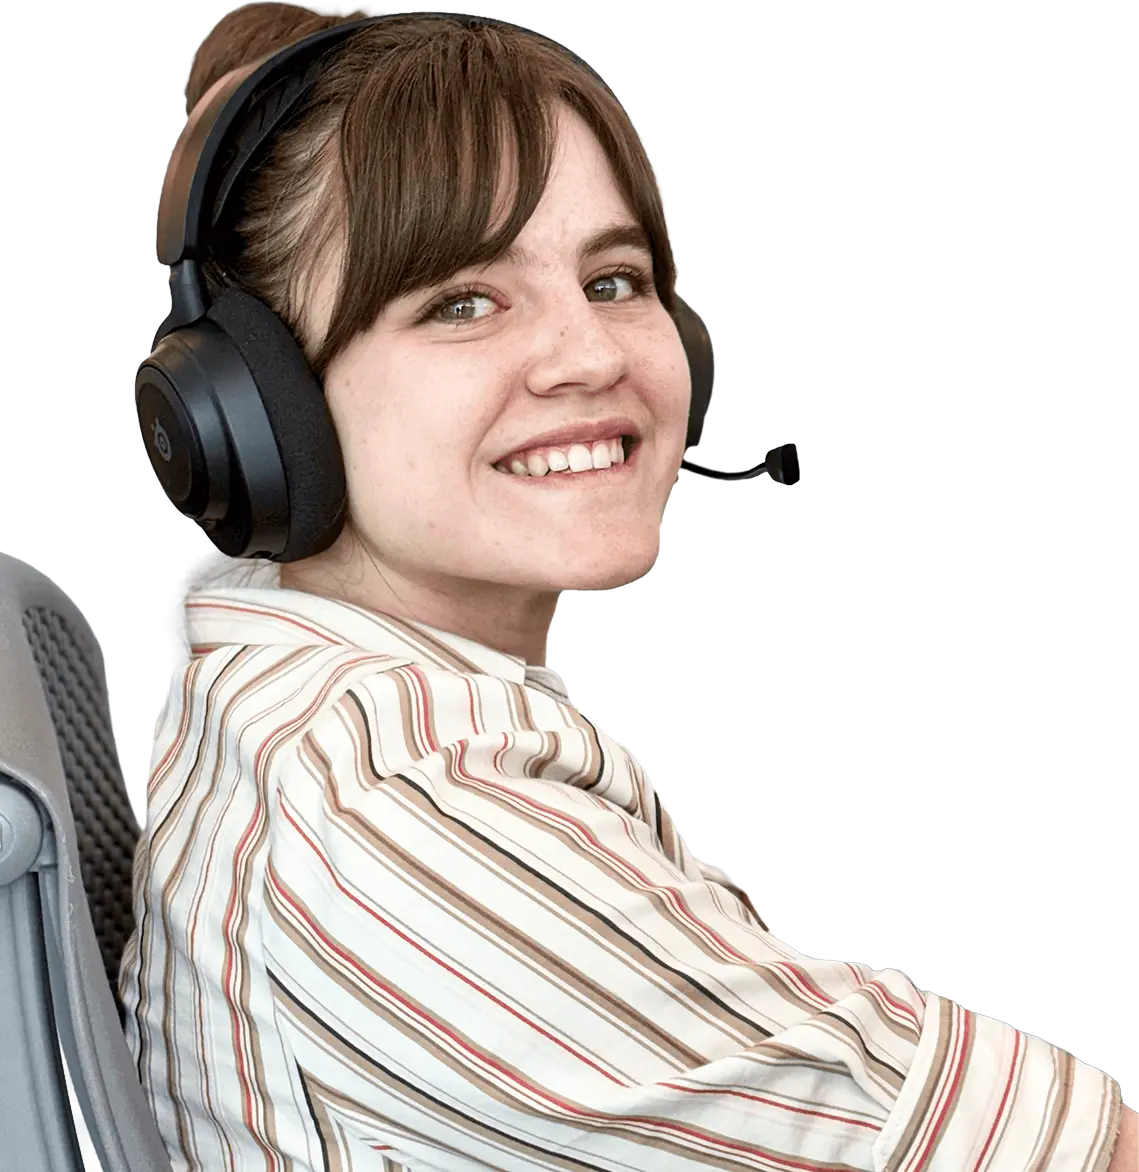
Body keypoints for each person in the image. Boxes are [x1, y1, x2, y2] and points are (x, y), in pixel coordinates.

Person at [120, 5, 1130, 1169]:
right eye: (461, 302)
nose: (593, 355)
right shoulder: (393, 801)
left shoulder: (341, 719)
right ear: (250, 409)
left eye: (613, 279)